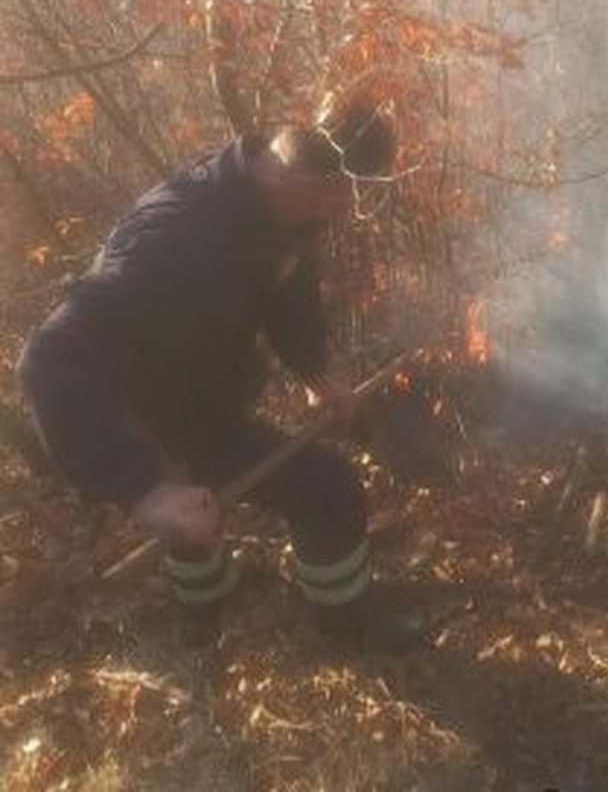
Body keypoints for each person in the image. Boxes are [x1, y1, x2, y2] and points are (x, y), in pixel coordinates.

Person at [17, 102, 421, 649]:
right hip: (135, 422)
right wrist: (144, 488)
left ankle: (209, 600)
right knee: (326, 487)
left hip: (196, 398)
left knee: (198, 507)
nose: (344, 211)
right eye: (339, 195)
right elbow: (49, 360)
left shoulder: (274, 211)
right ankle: (343, 623)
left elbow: (285, 283)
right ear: (301, 176)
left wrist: (314, 371)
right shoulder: (169, 242)